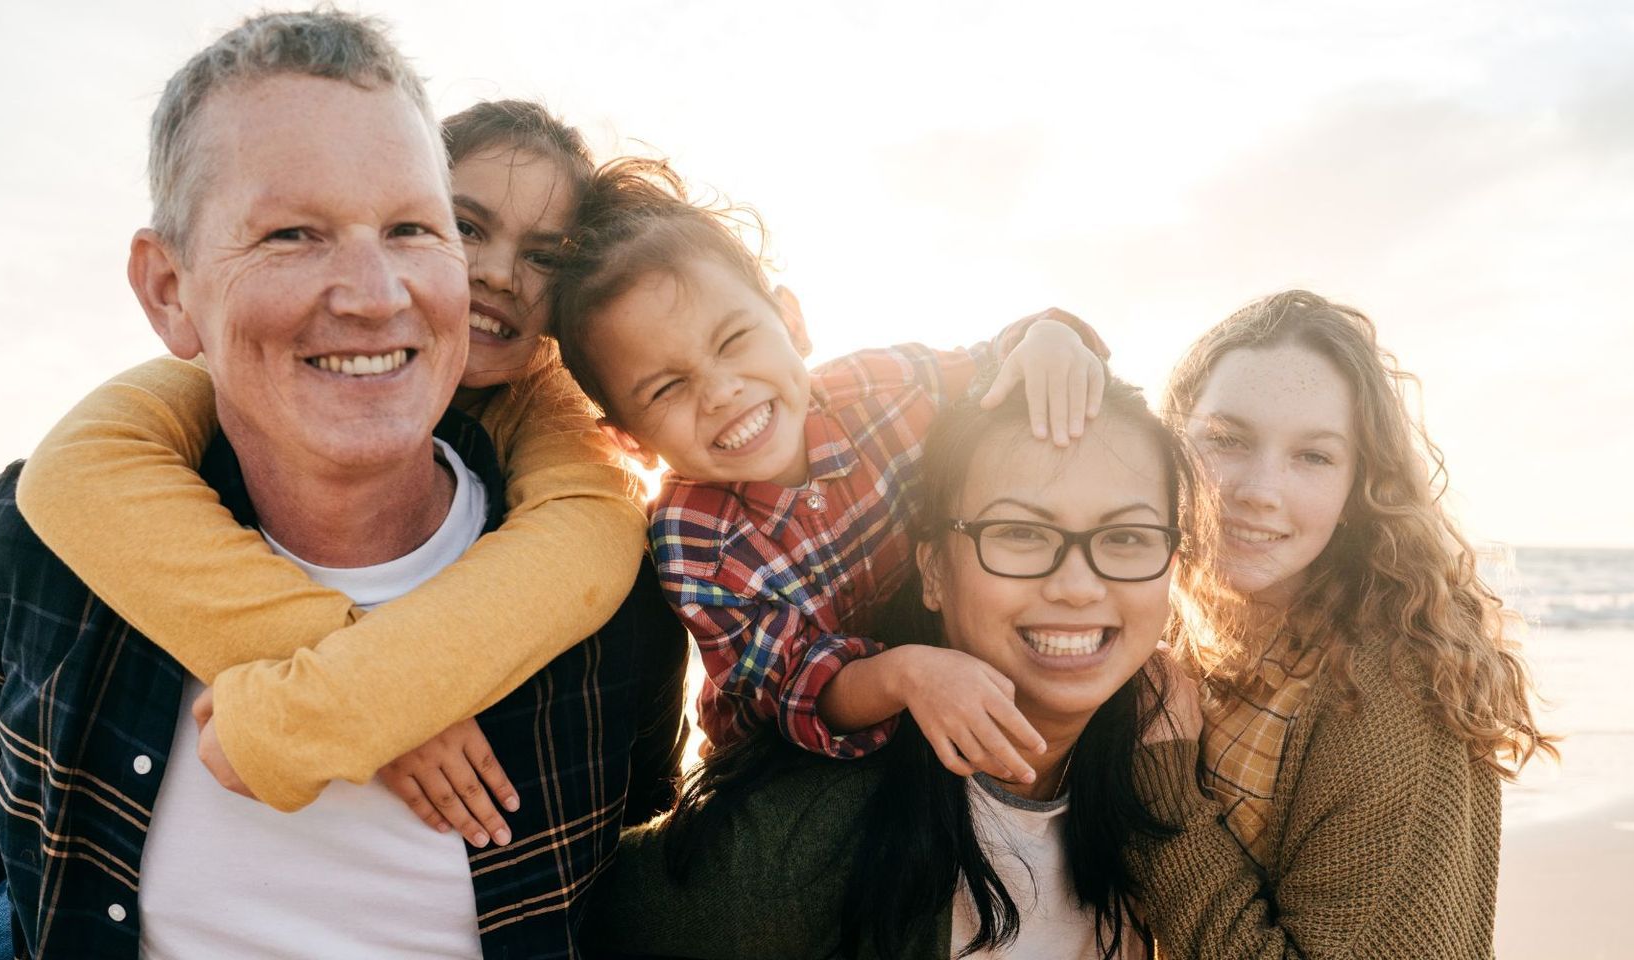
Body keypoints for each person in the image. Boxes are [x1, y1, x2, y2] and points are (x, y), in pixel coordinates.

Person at [0, 11, 675, 958]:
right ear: (169, 290)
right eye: (291, 234)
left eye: (411, 228)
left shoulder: (610, 582)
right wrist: (363, 689)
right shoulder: (44, 542)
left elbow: (634, 873)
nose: (373, 292)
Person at [10, 97, 688, 839]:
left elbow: (587, 541)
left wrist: (329, 712)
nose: (499, 274)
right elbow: (75, 468)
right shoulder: (250, 364)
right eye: (465, 228)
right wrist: (380, 707)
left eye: (545, 256)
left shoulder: (547, 401)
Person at [589, 374, 1196, 959]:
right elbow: (595, 915)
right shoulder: (812, 840)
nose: (1076, 586)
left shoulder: (1185, 759)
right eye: (1019, 533)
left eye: (1127, 537)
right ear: (933, 570)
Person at [549, 158, 1114, 783]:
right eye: (667, 388)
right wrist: (906, 673)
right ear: (632, 442)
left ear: (791, 321)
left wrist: (1049, 339)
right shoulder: (692, 538)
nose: (719, 392)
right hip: (790, 763)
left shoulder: (878, 387)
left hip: (952, 679)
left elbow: (994, 365)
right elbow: (800, 686)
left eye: (734, 340)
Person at [1126, 289, 1557, 958]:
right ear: (1169, 444)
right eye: (1227, 439)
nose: (1259, 489)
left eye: (1313, 456)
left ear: (1359, 487)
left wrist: (1166, 797)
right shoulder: (1178, 630)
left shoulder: (1387, 686)